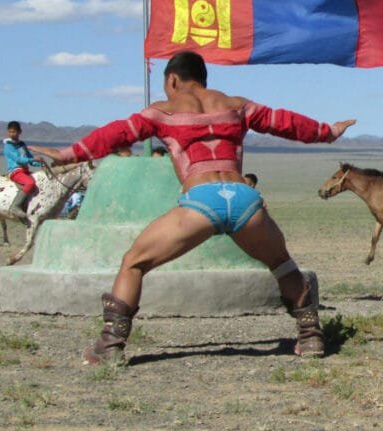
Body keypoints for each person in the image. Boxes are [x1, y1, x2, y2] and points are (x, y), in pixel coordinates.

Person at [31, 51, 355, 365]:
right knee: (282, 264)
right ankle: (311, 336)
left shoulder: (163, 111)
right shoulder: (238, 106)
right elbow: (285, 122)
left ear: (172, 80)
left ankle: (109, 346)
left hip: (202, 200)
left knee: (134, 262)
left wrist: (68, 155)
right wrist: (328, 132)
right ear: (202, 78)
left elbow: (116, 134)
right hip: (244, 199)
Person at [3, 121, 43, 221]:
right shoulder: (8, 146)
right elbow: (18, 159)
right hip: (15, 171)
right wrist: (32, 160)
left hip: (25, 170)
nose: (12, 134)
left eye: (14, 132)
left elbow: (29, 158)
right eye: (10, 132)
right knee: (30, 183)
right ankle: (15, 206)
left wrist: (40, 163)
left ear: (19, 132)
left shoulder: (22, 144)